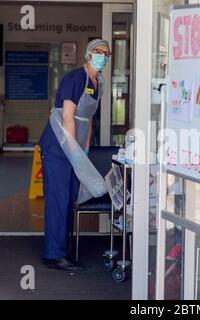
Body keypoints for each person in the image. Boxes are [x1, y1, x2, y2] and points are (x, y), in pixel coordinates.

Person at [39, 39, 111, 272]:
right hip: (59, 146)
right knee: (58, 199)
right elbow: (68, 116)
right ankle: (54, 254)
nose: (103, 56)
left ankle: (62, 248)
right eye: (98, 52)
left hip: (76, 147)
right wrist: (72, 149)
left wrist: (86, 145)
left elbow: (87, 117)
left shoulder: (98, 82)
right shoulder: (75, 79)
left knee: (70, 198)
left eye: (106, 53)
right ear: (89, 54)